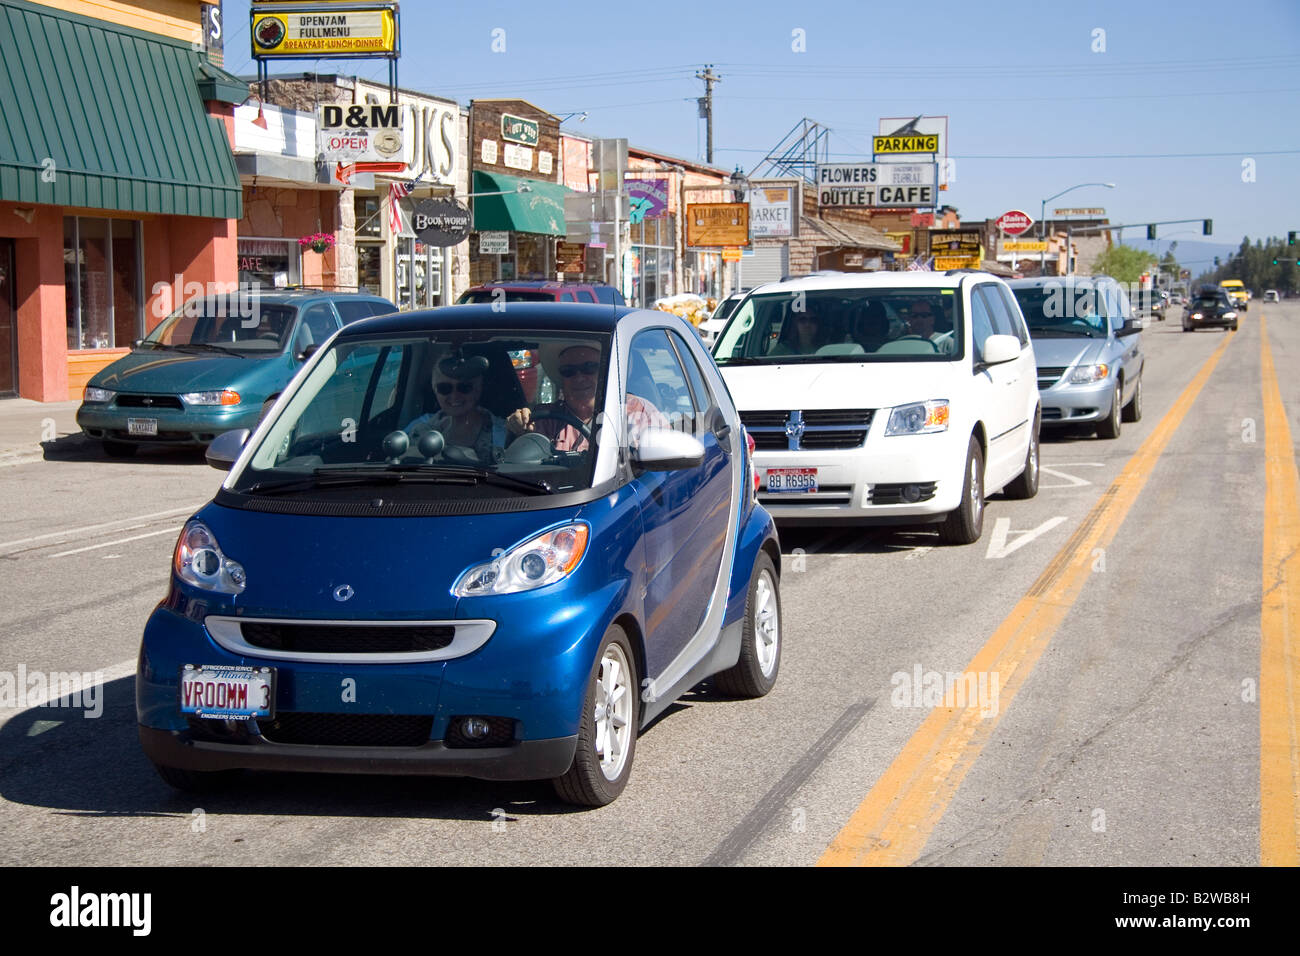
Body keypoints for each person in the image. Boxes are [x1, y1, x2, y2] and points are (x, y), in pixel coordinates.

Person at [507, 342, 667, 453]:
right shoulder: (544, 419)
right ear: (561, 378)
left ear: (606, 371)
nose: (579, 378)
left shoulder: (638, 413)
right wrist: (520, 427)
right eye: (569, 371)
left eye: (589, 368)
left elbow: (665, 467)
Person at [403, 354, 507, 463]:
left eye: (464, 387)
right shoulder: (419, 427)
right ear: (435, 390)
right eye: (444, 388)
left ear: (478, 389)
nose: (455, 396)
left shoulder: (501, 433)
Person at [768, 309, 834, 356]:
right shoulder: (782, 350)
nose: (807, 324)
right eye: (802, 320)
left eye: (813, 320)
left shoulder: (827, 349)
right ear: (795, 324)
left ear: (818, 325)